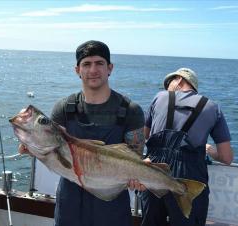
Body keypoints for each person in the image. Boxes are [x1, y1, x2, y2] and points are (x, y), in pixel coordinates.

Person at [19, 40, 145, 226]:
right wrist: (33, 146)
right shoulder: (63, 108)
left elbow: (135, 157)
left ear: (110, 68)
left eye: (99, 63)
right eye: (86, 64)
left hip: (112, 204)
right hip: (70, 202)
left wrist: (137, 178)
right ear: (77, 70)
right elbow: (56, 153)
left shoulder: (131, 110)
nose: (93, 70)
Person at [140, 68, 233, 226]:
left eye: (168, 84)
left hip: (154, 169)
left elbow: (144, 136)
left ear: (180, 80)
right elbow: (227, 157)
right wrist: (209, 149)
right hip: (190, 176)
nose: (167, 89)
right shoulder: (212, 107)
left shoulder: (159, 97)